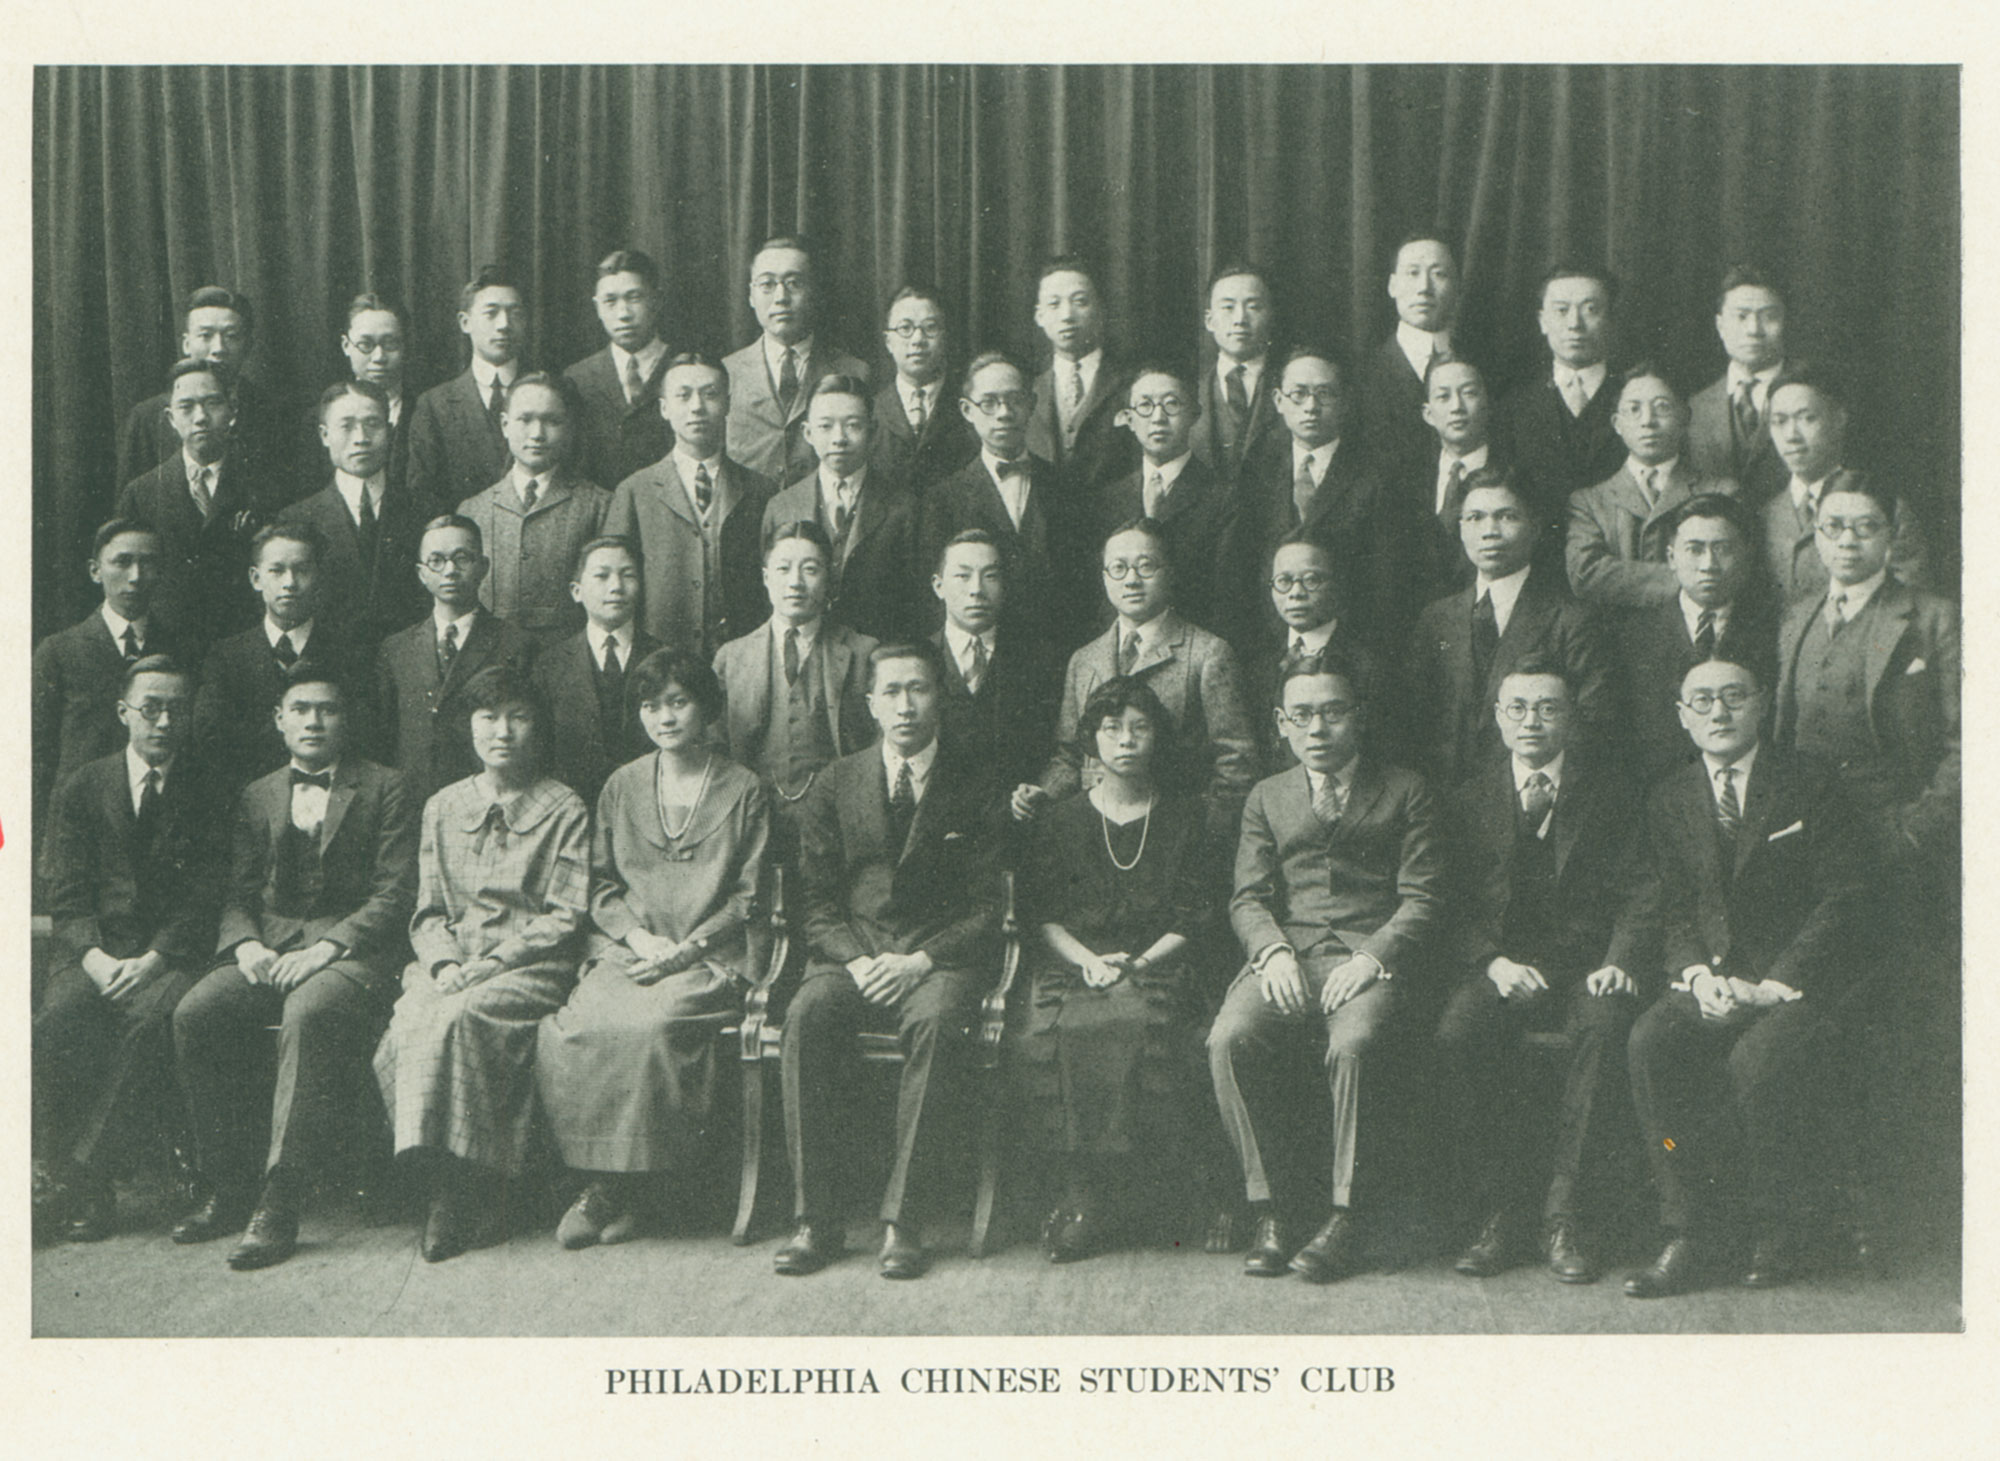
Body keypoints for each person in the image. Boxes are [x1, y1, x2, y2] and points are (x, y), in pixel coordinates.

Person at [1620, 656, 1867, 1297]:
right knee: (1652, 1042)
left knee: (1754, 1061)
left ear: (1762, 704)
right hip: (1712, 979)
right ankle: (1690, 1233)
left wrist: (1773, 982)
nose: (1719, 712)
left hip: (1799, 982)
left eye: (1733, 696)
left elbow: (1843, 900)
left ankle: (1779, 1231)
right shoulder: (1667, 795)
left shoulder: (1811, 782)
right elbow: (1671, 905)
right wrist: (1699, 978)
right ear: (1681, 716)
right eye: (1701, 701)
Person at [169, 666, 417, 1269]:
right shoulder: (257, 794)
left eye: (327, 709)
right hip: (271, 949)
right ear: (278, 721)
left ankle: (279, 1199)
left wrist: (329, 947)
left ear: (347, 720)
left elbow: (393, 893)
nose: (313, 720)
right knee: (195, 1011)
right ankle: (227, 1186)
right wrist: (246, 946)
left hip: (355, 956)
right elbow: (238, 892)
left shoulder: (388, 787)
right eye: (300, 709)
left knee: (308, 1013)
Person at [1207, 656, 1443, 1283]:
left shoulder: (1405, 788)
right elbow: (1248, 896)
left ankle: (1347, 1215)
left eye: (1333, 712)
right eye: (1303, 716)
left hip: (1370, 957)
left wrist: (1371, 957)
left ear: (1358, 718)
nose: (1318, 728)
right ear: (1282, 725)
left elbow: (1422, 896)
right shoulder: (1267, 794)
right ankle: (1274, 1210)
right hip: (1289, 953)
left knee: (1355, 1045)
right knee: (1229, 1038)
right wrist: (1272, 951)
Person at [776, 642, 1003, 1280]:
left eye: (920, 689)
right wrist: (854, 960)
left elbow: (989, 910)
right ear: (872, 704)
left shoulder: (976, 782)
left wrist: (922, 960)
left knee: (934, 1024)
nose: (906, 705)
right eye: (892, 692)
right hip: (854, 958)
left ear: (941, 697)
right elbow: (815, 905)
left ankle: (904, 1222)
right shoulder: (835, 782)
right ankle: (813, 1220)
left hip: (938, 961)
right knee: (807, 1015)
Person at [536, 650, 771, 1247]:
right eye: (650, 706)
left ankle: (650, 1188)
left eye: (678, 702)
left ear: (707, 708)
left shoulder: (744, 789)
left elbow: (748, 895)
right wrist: (640, 938)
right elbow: (602, 883)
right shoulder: (621, 785)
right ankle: (607, 1183)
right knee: (576, 1025)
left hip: (713, 953)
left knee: (654, 1027)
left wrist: (688, 949)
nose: (665, 717)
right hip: (631, 948)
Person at [1433, 660, 1644, 1285]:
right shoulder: (1466, 798)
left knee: (1608, 1030)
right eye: (1518, 708)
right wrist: (1493, 964)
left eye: (1549, 708)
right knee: (1457, 1036)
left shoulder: (1613, 793)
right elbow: (1446, 902)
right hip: (1500, 967)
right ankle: (1502, 1212)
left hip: (1586, 968)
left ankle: (1565, 1214)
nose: (1532, 721)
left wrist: (1620, 960)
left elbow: (1642, 891)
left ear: (1572, 719)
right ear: (1497, 719)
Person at [373, 665, 592, 1262]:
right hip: (451, 964)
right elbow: (428, 911)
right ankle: (446, 1184)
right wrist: (443, 965)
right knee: (412, 1022)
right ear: (468, 727)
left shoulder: (564, 807)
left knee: (459, 1019)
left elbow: (565, 914)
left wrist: (491, 964)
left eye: (518, 717)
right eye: (488, 717)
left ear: (538, 727)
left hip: (531, 964)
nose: (503, 732)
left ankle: (481, 1186)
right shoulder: (443, 806)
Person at [1010, 677, 1221, 1261]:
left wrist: (1140, 960)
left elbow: (1196, 913)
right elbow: (1042, 915)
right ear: (1090, 740)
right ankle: (1084, 1195)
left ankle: (1146, 1197)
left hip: (1161, 964)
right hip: (1076, 965)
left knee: (1142, 1026)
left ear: (1158, 736)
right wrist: (1089, 962)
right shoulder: (1060, 820)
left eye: (1139, 727)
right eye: (1110, 728)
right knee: (1065, 1029)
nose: (1125, 741)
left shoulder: (1185, 818)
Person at [33, 656, 224, 1243]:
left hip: (171, 955)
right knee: (59, 1019)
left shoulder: (210, 786)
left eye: (177, 709)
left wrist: (156, 958)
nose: (164, 721)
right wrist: (93, 957)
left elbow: (207, 894)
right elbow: (67, 891)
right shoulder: (84, 785)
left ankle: (81, 1177)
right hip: (94, 951)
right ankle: (62, 1169)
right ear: (124, 713)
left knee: (149, 1024)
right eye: (151, 708)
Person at [1775, 476, 1958, 907]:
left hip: (1896, 842)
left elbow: (1972, 746)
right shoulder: (1796, 616)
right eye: (1833, 526)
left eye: (1866, 527)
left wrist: (1913, 831)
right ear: (1816, 536)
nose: (1848, 541)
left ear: (1890, 538)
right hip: (1808, 839)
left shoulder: (1935, 618)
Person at [1022, 518, 1255, 851]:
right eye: (1118, 568)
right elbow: (1069, 756)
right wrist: (1044, 793)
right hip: (1095, 833)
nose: (1131, 580)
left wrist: (1202, 830)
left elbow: (1237, 763)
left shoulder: (1207, 654)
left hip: (1175, 838)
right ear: (1104, 578)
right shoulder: (1084, 659)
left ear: (1170, 572)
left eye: (1145, 567)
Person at [1411, 470, 1616, 787]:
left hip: (1532, 798)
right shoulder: (1436, 619)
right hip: (1446, 804)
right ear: (1460, 529)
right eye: (1475, 518)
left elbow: (1592, 724)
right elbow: (1418, 725)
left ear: (1534, 527)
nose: (1490, 531)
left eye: (1506, 516)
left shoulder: (1573, 619)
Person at [1227, 345, 1419, 655]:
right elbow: (1242, 572)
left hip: (1353, 648)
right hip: (1271, 648)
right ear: (1278, 401)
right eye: (1299, 394)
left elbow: (1388, 582)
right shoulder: (1257, 470)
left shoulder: (1377, 475)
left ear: (1344, 402)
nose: (1311, 407)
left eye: (1325, 394)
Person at [711, 520, 879, 846]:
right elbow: (715, 753)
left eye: (810, 569)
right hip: (752, 823)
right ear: (765, 577)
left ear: (828, 578)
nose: (796, 583)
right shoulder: (730, 658)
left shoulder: (862, 653)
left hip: (837, 825)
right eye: (784, 568)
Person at [603, 352, 775, 657]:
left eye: (710, 395)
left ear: (728, 404)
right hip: (660, 662)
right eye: (683, 396)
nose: (697, 407)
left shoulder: (761, 491)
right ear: (664, 408)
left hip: (741, 659)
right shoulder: (634, 492)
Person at [922, 351, 1094, 652]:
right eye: (989, 403)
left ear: (1031, 405)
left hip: (1056, 653)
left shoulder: (1068, 489)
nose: (1003, 413)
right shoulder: (943, 499)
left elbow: (1083, 589)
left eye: (1014, 400)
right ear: (967, 410)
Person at [194, 521, 372, 792]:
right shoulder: (226, 657)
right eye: (276, 571)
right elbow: (213, 740)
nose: (289, 583)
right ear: (256, 579)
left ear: (319, 577)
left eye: (301, 570)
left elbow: (361, 732)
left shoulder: (349, 653)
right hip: (248, 798)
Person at [373, 514, 536, 804]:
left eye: (462, 558)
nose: (449, 570)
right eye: (436, 560)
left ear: (483, 567)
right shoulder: (396, 649)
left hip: (488, 801)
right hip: (413, 803)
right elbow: (385, 739)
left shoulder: (516, 644)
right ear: (421, 573)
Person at [1613, 494, 1775, 783]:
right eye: (1695, 549)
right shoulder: (1630, 636)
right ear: (1671, 557)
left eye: (1723, 549)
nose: (1708, 564)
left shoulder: (1772, 631)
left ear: (1746, 554)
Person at [32, 521, 177, 842]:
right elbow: (36, 754)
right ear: (95, 571)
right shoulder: (58, 651)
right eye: (122, 562)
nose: (136, 576)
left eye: (148, 563)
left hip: (155, 821)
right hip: (80, 825)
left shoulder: (180, 649)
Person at [115, 357, 275, 648]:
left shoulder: (266, 487)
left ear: (233, 410)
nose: (200, 417)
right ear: (170, 419)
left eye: (212, 403)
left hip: (244, 641)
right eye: (186, 407)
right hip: (167, 646)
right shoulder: (142, 493)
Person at [760, 374, 924, 644]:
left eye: (852, 426)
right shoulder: (781, 507)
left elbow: (916, 605)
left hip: (879, 656)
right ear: (808, 433)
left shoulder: (904, 507)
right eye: (825, 426)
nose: (839, 438)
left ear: (872, 432)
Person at [456, 372, 610, 649]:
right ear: (504, 425)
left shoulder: (598, 505)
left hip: (567, 660)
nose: (537, 434)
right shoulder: (473, 510)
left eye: (551, 421)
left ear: (569, 428)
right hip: (491, 661)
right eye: (525, 420)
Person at [1567, 364, 1740, 610]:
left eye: (1662, 407)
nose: (1647, 421)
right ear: (1617, 424)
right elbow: (1586, 574)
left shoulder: (1722, 492)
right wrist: (1693, 577)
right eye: (1634, 409)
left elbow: (1735, 571)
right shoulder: (1590, 502)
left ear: (1684, 418)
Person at [928, 529, 1064, 833]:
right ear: (939, 586)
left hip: (1018, 832)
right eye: (963, 577)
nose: (976, 590)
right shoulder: (919, 661)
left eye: (990, 576)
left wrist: (1040, 792)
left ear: (1005, 585)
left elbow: (1062, 750)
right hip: (933, 831)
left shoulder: (1041, 662)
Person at [279, 380, 430, 650]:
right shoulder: (296, 519)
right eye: (346, 426)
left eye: (373, 424)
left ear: (391, 431)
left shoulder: (424, 511)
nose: (361, 437)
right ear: (324, 435)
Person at [1762, 367, 1930, 605]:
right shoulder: (1765, 516)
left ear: (1839, 418)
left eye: (1807, 418)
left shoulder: (1886, 509)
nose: (1791, 435)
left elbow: (1910, 608)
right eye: (1779, 421)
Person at [1097, 366, 1240, 636]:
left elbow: (1225, 596)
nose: (1158, 418)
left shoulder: (1222, 498)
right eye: (1145, 406)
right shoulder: (1108, 500)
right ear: (1128, 418)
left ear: (1194, 414)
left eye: (1172, 404)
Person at [722, 236, 870, 485]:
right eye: (767, 284)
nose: (781, 297)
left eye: (793, 283)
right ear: (750, 295)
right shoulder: (726, 372)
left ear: (814, 291)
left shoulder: (854, 372)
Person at [530, 536, 660, 810]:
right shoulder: (549, 665)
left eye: (628, 575)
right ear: (576, 591)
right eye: (601, 576)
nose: (616, 587)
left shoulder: (664, 658)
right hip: (569, 813)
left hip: (649, 809)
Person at [117, 285, 287, 489]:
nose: (218, 349)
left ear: (248, 345)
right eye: (205, 336)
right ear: (186, 344)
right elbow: (131, 507)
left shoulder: (275, 414)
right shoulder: (147, 418)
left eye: (231, 336)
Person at [1243, 534, 1384, 772]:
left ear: (1336, 584)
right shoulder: (1258, 663)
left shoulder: (1367, 663)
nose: (1296, 593)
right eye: (1284, 581)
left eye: (1311, 579)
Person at [1497, 262, 1627, 509]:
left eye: (1590, 309)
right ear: (1542, 321)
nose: (1574, 324)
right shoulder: (1513, 406)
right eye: (1561, 310)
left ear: (1610, 320)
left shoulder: (1635, 398)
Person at [408, 265, 529, 517]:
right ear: (465, 322)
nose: (504, 325)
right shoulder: (434, 405)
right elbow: (423, 494)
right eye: (491, 313)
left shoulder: (552, 394)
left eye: (514, 313)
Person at [1024, 255, 1136, 501]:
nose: (1067, 315)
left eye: (1080, 302)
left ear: (1100, 310)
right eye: (1054, 304)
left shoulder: (1132, 383)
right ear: (1039, 316)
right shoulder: (1025, 387)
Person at [563, 249, 673, 488]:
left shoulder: (684, 368)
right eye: (610, 301)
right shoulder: (577, 379)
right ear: (597, 307)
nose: (623, 314)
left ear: (657, 299)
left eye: (634, 298)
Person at [1687, 266, 1798, 499]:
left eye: (1769, 316)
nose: (1754, 330)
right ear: (1720, 326)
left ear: (1785, 322)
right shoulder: (1694, 408)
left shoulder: (1812, 397)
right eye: (1741, 316)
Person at [1412, 357, 1519, 598]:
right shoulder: (1407, 479)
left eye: (1469, 393)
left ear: (1488, 404)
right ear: (1428, 413)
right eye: (1443, 397)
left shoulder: (1514, 474)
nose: (1457, 407)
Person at [1359, 233, 1464, 474]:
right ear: (1392, 286)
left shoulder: (1485, 367)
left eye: (1438, 274)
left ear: (1458, 286)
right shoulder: (1360, 373)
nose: (1424, 288)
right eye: (1413, 273)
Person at [875, 285, 978, 493]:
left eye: (930, 328)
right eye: (905, 329)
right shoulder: (872, 409)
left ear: (945, 336)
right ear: (888, 341)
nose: (918, 340)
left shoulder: (971, 406)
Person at [1190, 263, 1282, 486]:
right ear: (1209, 321)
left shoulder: (1292, 388)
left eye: (1253, 307)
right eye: (1228, 307)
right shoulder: (1188, 393)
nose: (1240, 319)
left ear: (1270, 317)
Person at [334, 293, 415, 500]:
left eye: (390, 344)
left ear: (404, 346)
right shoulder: (322, 416)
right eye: (366, 345)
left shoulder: (427, 411)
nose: (379, 357)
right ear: (346, 346)